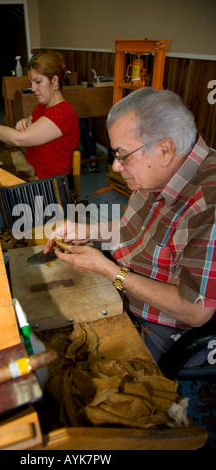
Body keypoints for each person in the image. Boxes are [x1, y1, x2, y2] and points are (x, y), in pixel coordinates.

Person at [44, 87, 216, 364]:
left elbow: (194, 310)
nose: (114, 166)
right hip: (125, 281)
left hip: (168, 325)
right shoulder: (158, 172)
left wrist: (111, 271)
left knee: (76, 366)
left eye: (123, 156)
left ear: (164, 149)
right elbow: (135, 228)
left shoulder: (208, 206)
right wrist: (88, 231)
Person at [0, 51, 79, 188]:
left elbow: (18, 139)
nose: (33, 88)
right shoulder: (44, 106)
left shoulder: (63, 112)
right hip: (36, 174)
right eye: (31, 82)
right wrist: (26, 121)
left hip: (53, 186)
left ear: (55, 81)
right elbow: (33, 122)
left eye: (38, 82)